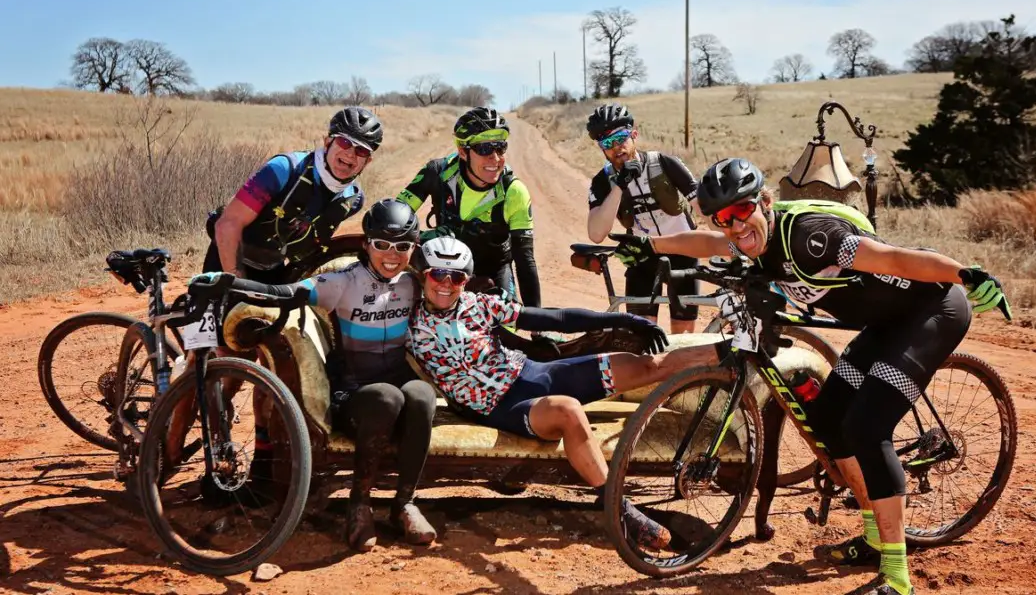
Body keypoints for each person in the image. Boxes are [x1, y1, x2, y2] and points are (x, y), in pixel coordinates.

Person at [609, 158, 1012, 595]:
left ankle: (898, 578)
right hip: (885, 325)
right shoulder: (746, 241)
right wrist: (650, 247)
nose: (734, 226)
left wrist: (964, 274)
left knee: (866, 428)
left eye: (742, 211)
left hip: (933, 310)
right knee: (828, 420)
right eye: (724, 218)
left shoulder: (811, 237)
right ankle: (875, 536)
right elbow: (703, 243)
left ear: (764, 202)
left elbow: (895, 258)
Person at [406, 237, 725, 550]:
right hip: (503, 406)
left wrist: (625, 318)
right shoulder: (407, 323)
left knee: (645, 366)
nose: (446, 283)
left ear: (465, 280)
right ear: (423, 274)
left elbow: (555, 318)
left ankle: (729, 353)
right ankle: (620, 509)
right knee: (568, 410)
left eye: (457, 276)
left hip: (534, 374)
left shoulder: (481, 305)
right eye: (437, 274)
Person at [192, 199, 438, 551]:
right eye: (381, 244)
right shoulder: (344, 281)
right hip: (356, 393)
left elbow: (456, 287)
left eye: (402, 246)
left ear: (413, 248)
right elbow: (288, 292)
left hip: (397, 385)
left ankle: (404, 504)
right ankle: (360, 505)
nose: (391, 254)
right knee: (388, 396)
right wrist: (230, 282)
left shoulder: (414, 283)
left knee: (421, 395)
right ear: (367, 244)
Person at [205, 105, 382, 282]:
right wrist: (237, 282)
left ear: (367, 161)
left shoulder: (353, 199)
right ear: (327, 142)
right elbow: (228, 224)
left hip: (273, 267)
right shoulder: (283, 169)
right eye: (344, 142)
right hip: (227, 257)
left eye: (361, 150)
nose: (351, 154)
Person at [396, 107, 541, 307]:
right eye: (484, 149)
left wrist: (537, 326)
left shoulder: (513, 191)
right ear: (463, 151)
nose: (495, 158)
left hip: (493, 270)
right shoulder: (437, 172)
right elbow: (394, 219)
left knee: (507, 329)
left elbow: (525, 261)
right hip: (443, 268)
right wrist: (429, 237)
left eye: (500, 147)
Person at [584, 104, 701, 334]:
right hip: (643, 258)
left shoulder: (665, 164)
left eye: (621, 138)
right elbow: (596, 233)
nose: (617, 148)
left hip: (683, 254)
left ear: (634, 134)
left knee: (684, 338)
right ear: (601, 149)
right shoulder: (603, 181)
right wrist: (620, 185)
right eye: (607, 144)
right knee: (641, 337)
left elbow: (704, 208)